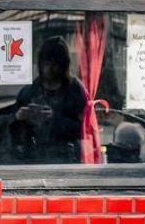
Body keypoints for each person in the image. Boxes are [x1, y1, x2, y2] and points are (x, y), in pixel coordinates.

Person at [9, 36, 87, 164]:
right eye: (46, 64)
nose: (49, 69)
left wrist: (55, 119)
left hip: (67, 160)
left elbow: (84, 130)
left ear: (63, 65)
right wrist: (18, 117)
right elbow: (9, 128)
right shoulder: (30, 90)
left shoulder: (75, 90)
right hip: (33, 158)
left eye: (54, 65)